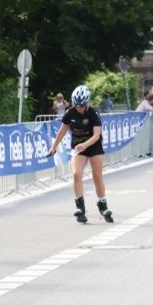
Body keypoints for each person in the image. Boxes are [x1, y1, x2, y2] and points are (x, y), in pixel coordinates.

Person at [47, 84, 113, 224]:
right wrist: (53, 147)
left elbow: (96, 135)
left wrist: (85, 144)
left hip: (93, 146)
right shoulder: (70, 113)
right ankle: (80, 208)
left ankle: (102, 204)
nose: (79, 108)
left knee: (97, 175)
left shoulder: (93, 113)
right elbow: (62, 131)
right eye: (77, 105)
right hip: (78, 148)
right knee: (76, 174)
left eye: (82, 106)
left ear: (87, 102)